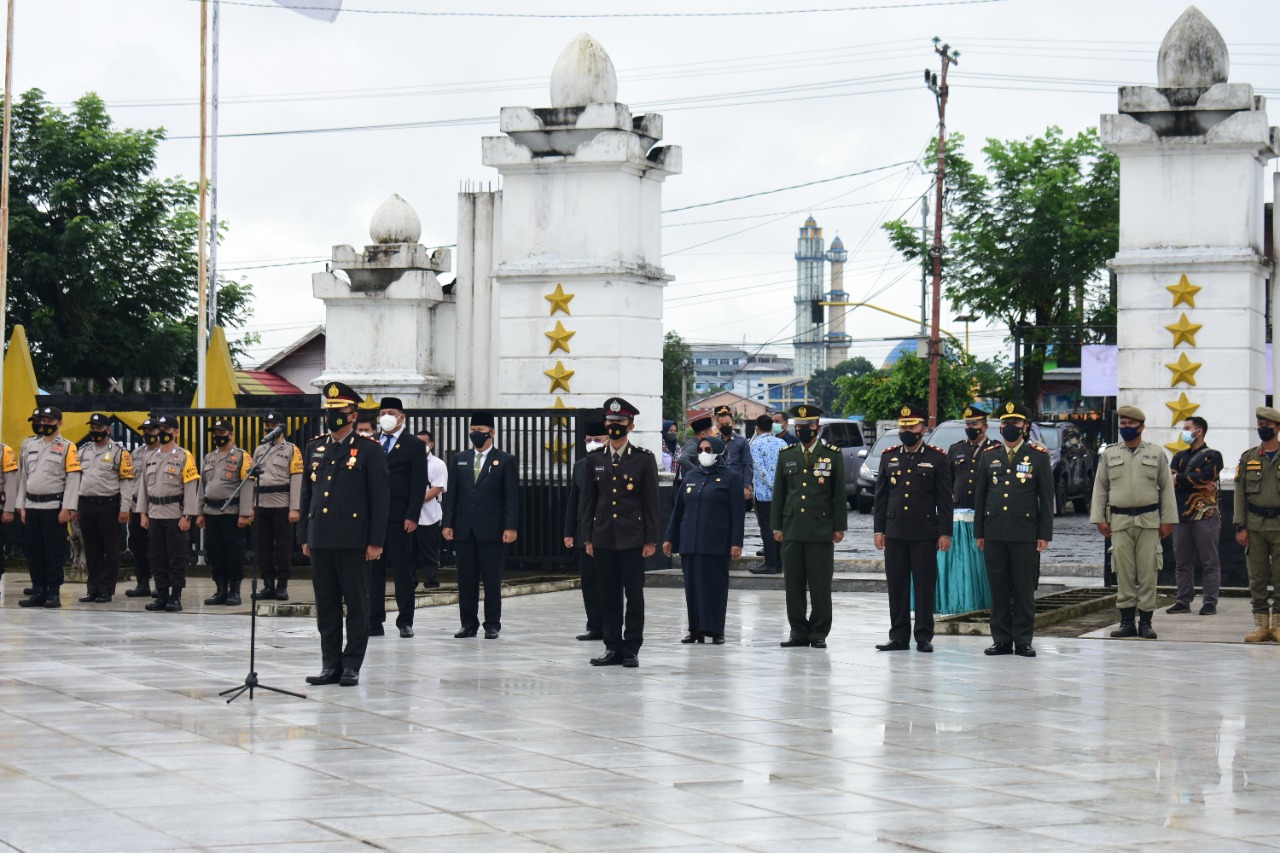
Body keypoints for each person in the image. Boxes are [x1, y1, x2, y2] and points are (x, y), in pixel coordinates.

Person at [299, 382, 389, 687]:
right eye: (329, 410)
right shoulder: (314, 447)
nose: (331, 416)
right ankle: (330, 664)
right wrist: (304, 535)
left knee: (357, 604)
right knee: (326, 605)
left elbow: (380, 500)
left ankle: (351, 664)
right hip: (320, 538)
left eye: (338, 411)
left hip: (353, 540)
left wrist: (376, 541)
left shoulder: (369, 449)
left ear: (353, 415)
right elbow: (307, 495)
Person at [581, 397, 660, 668]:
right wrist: (588, 537)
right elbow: (589, 502)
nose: (614, 425)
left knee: (634, 596)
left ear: (630, 425)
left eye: (620, 421)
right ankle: (612, 646)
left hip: (633, 537)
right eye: (610, 421)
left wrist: (651, 539)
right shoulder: (594, 458)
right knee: (608, 595)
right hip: (603, 536)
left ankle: (631, 648)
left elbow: (651, 502)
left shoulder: (643, 459)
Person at [974, 402, 1055, 657]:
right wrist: (979, 532)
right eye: (1005, 423)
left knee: (1023, 589)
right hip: (994, 531)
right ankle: (1000, 639)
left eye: (1015, 423)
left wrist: (1044, 534)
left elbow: (1046, 498)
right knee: (998, 588)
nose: (1009, 427)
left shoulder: (1038, 456)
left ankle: (1022, 640)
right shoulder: (989, 455)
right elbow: (980, 497)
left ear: (1025, 427)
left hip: (1024, 533)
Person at [1091, 405, 1177, 640]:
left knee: (1148, 572)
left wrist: (1168, 520)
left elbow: (1166, 489)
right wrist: (1098, 518)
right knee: (1123, 572)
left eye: (1130, 424)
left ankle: (1146, 622)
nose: (1126, 428)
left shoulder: (1156, 454)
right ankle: (1127, 622)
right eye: (1123, 424)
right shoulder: (1109, 454)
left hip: (1149, 520)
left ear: (1141, 427)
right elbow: (1101, 487)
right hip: (1119, 521)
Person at [872, 403, 953, 653]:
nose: (906, 431)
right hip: (895, 532)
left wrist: (945, 532)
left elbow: (944, 500)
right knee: (896, 586)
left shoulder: (937, 458)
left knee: (924, 585)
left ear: (923, 429)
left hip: (924, 532)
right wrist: (879, 530)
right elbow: (881, 497)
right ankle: (898, 636)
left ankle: (923, 636)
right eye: (903, 426)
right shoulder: (889, 456)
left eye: (912, 426)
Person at [771, 404, 846, 649]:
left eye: (809, 426)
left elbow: (838, 493)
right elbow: (779, 493)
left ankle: (818, 632)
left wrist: (839, 526)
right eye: (800, 426)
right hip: (792, 528)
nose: (804, 430)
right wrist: (776, 526)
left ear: (818, 427)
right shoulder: (787, 454)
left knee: (820, 585)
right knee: (793, 585)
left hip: (820, 529)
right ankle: (798, 631)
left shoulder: (832, 454)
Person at [442, 412, 518, 639]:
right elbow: (452, 494)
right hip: (464, 528)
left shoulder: (505, 460)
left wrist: (510, 526)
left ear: (492, 432)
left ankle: (492, 624)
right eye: (473, 429)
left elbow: (511, 497)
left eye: (481, 430)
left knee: (492, 579)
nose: (476, 434)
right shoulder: (460, 458)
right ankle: (468, 623)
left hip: (492, 528)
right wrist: (448, 523)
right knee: (466, 579)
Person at [663, 435, 745, 645]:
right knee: (692, 587)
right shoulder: (691, 476)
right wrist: (670, 537)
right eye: (700, 450)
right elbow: (678, 509)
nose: (703, 454)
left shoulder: (731, 477)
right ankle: (696, 629)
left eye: (708, 450)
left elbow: (738, 513)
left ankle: (716, 630)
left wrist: (736, 542)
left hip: (716, 541)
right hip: (690, 540)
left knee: (715, 586)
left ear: (718, 452)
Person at [371, 398, 427, 639]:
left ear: (401, 417)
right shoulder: (371, 442)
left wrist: (412, 515)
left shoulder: (414, 444)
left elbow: (418, 482)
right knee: (373, 571)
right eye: (383, 412)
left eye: (391, 412)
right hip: (374, 517)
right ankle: (374, 620)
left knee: (403, 570)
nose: (386, 416)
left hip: (400, 516)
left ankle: (405, 620)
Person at [16, 406, 82, 609]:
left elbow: (73, 478)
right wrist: (21, 505)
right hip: (32, 505)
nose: (45, 424)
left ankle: (53, 592)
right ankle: (38, 590)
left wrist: (68, 507)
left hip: (54, 507)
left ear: (59, 423)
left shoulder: (67, 447)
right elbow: (23, 477)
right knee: (34, 552)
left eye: (49, 421)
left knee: (54, 552)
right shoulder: (29, 445)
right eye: (43, 420)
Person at [938, 405, 1000, 614]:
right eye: (967, 424)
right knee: (961, 563)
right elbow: (947, 482)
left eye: (974, 424)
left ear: (985, 426)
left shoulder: (995, 449)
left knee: (982, 563)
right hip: (960, 516)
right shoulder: (956, 449)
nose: (970, 428)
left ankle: (986, 601)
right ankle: (961, 601)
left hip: (985, 516)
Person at [136, 414, 200, 612]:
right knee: (157, 557)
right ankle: (161, 595)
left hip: (175, 514)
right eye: (161, 429)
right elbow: (143, 487)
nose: (163, 433)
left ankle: (175, 596)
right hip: (155, 513)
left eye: (167, 429)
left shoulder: (184, 456)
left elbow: (191, 487)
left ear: (176, 432)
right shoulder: (150, 456)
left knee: (176, 557)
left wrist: (187, 515)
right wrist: (143, 513)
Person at [76, 413, 135, 604]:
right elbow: (75, 479)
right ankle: (92, 589)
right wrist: (73, 506)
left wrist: (125, 508)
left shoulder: (119, 452)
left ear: (108, 430)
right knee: (91, 549)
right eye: (92, 427)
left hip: (109, 505)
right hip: (86, 505)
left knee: (111, 550)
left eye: (99, 428)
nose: (95, 431)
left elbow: (126, 482)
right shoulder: (83, 450)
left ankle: (106, 590)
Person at [1168, 416, 1223, 617]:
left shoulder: (1214, 455)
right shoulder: (1179, 456)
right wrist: (1195, 483)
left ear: (1199, 431)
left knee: (1210, 561)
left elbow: (1207, 476)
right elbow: (1169, 479)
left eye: (1187, 428)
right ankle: (1183, 600)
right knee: (1182, 562)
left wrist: (1180, 478)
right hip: (1181, 515)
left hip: (1205, 515)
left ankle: (1209, 602)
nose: (1184, 432)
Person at [196, 419, 254, 606]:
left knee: (234, 552)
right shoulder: (209, 457)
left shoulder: (242, 456)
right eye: (215, 433)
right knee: (215, 553)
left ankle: (234, 591)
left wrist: (245, 513)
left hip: (231, 513)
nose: (217, 437)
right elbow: (202, 486)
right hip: (211, 512)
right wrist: (199, 512)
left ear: (231, 434)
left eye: (221, 433)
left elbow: (247, 486)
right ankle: (220, 590)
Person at [1235, 406, 1280, 643]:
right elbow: (1240, 494)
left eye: (1267, 425)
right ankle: (1260, 625)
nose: (1263, 428)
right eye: (1260, 424)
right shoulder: (1248, 457)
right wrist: (1240, 526)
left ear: (1277, 428)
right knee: (1257, 578)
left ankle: (1278, 625)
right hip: (1255, 527)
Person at [249, 412, 303, 602]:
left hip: (281, 503)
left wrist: (294, 507)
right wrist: (250, 506)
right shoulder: (259, 450)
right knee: (262, 546)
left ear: (281, 427)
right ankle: (268, 585)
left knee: (283, 547)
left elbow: (297, 479)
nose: (269, 428)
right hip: (261, 503)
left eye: (273, 424)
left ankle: (282, 585)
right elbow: (252, 479)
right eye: (267, 424)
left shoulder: (291, 449)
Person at [564, 413, 608, 641]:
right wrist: (569, 532)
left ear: (607, 439)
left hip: (608, 531)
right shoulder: (580, 466)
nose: (592, 443)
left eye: (597, 439)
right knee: (589, 581)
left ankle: (609, 626)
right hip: (584, 530)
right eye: (589, 439)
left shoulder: (614, 463)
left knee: (607, 581)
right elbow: (574, 500)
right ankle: (594, 626)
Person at [125, 417, 160, 598]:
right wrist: (129, 507)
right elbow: (130, 480)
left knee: (157, 548)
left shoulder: (165, 452)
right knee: (138, 546)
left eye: (151, 430)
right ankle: (142, 583)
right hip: (137, 506)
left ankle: (160, 584)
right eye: (144, 431)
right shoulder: (137, 453)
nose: (147, 434)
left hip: (157, 507)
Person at [748, 414, 787, 575]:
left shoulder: (755, 444)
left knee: (767, 528)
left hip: (764, 495)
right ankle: (779, 563)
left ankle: (770, 563)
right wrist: (779, 487)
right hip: (782, 493)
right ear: (771, 427)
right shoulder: (782, 443)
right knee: (779, 527)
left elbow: (759, 468)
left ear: (756, 427)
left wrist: (771, 484)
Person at [414, 429, 447, 590]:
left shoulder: (438, 464)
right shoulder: (409, 461)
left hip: (429, 514)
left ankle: (431, 580)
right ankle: (410, 581)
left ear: (431, 445)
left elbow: (437, 488)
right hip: (410, 514)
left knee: (429, 549)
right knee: (409, 550)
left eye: (423, 443)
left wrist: (415, 500)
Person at [714, 405, 754, 511]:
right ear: (717, 426)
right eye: (722, 425)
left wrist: (746, 486)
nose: (725, 426)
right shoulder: (715, 442)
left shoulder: (742, 441)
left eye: (727, 424)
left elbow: (748, 464)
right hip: (719, 485)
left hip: (737, 485)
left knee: (737, 514)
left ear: (733, 423)